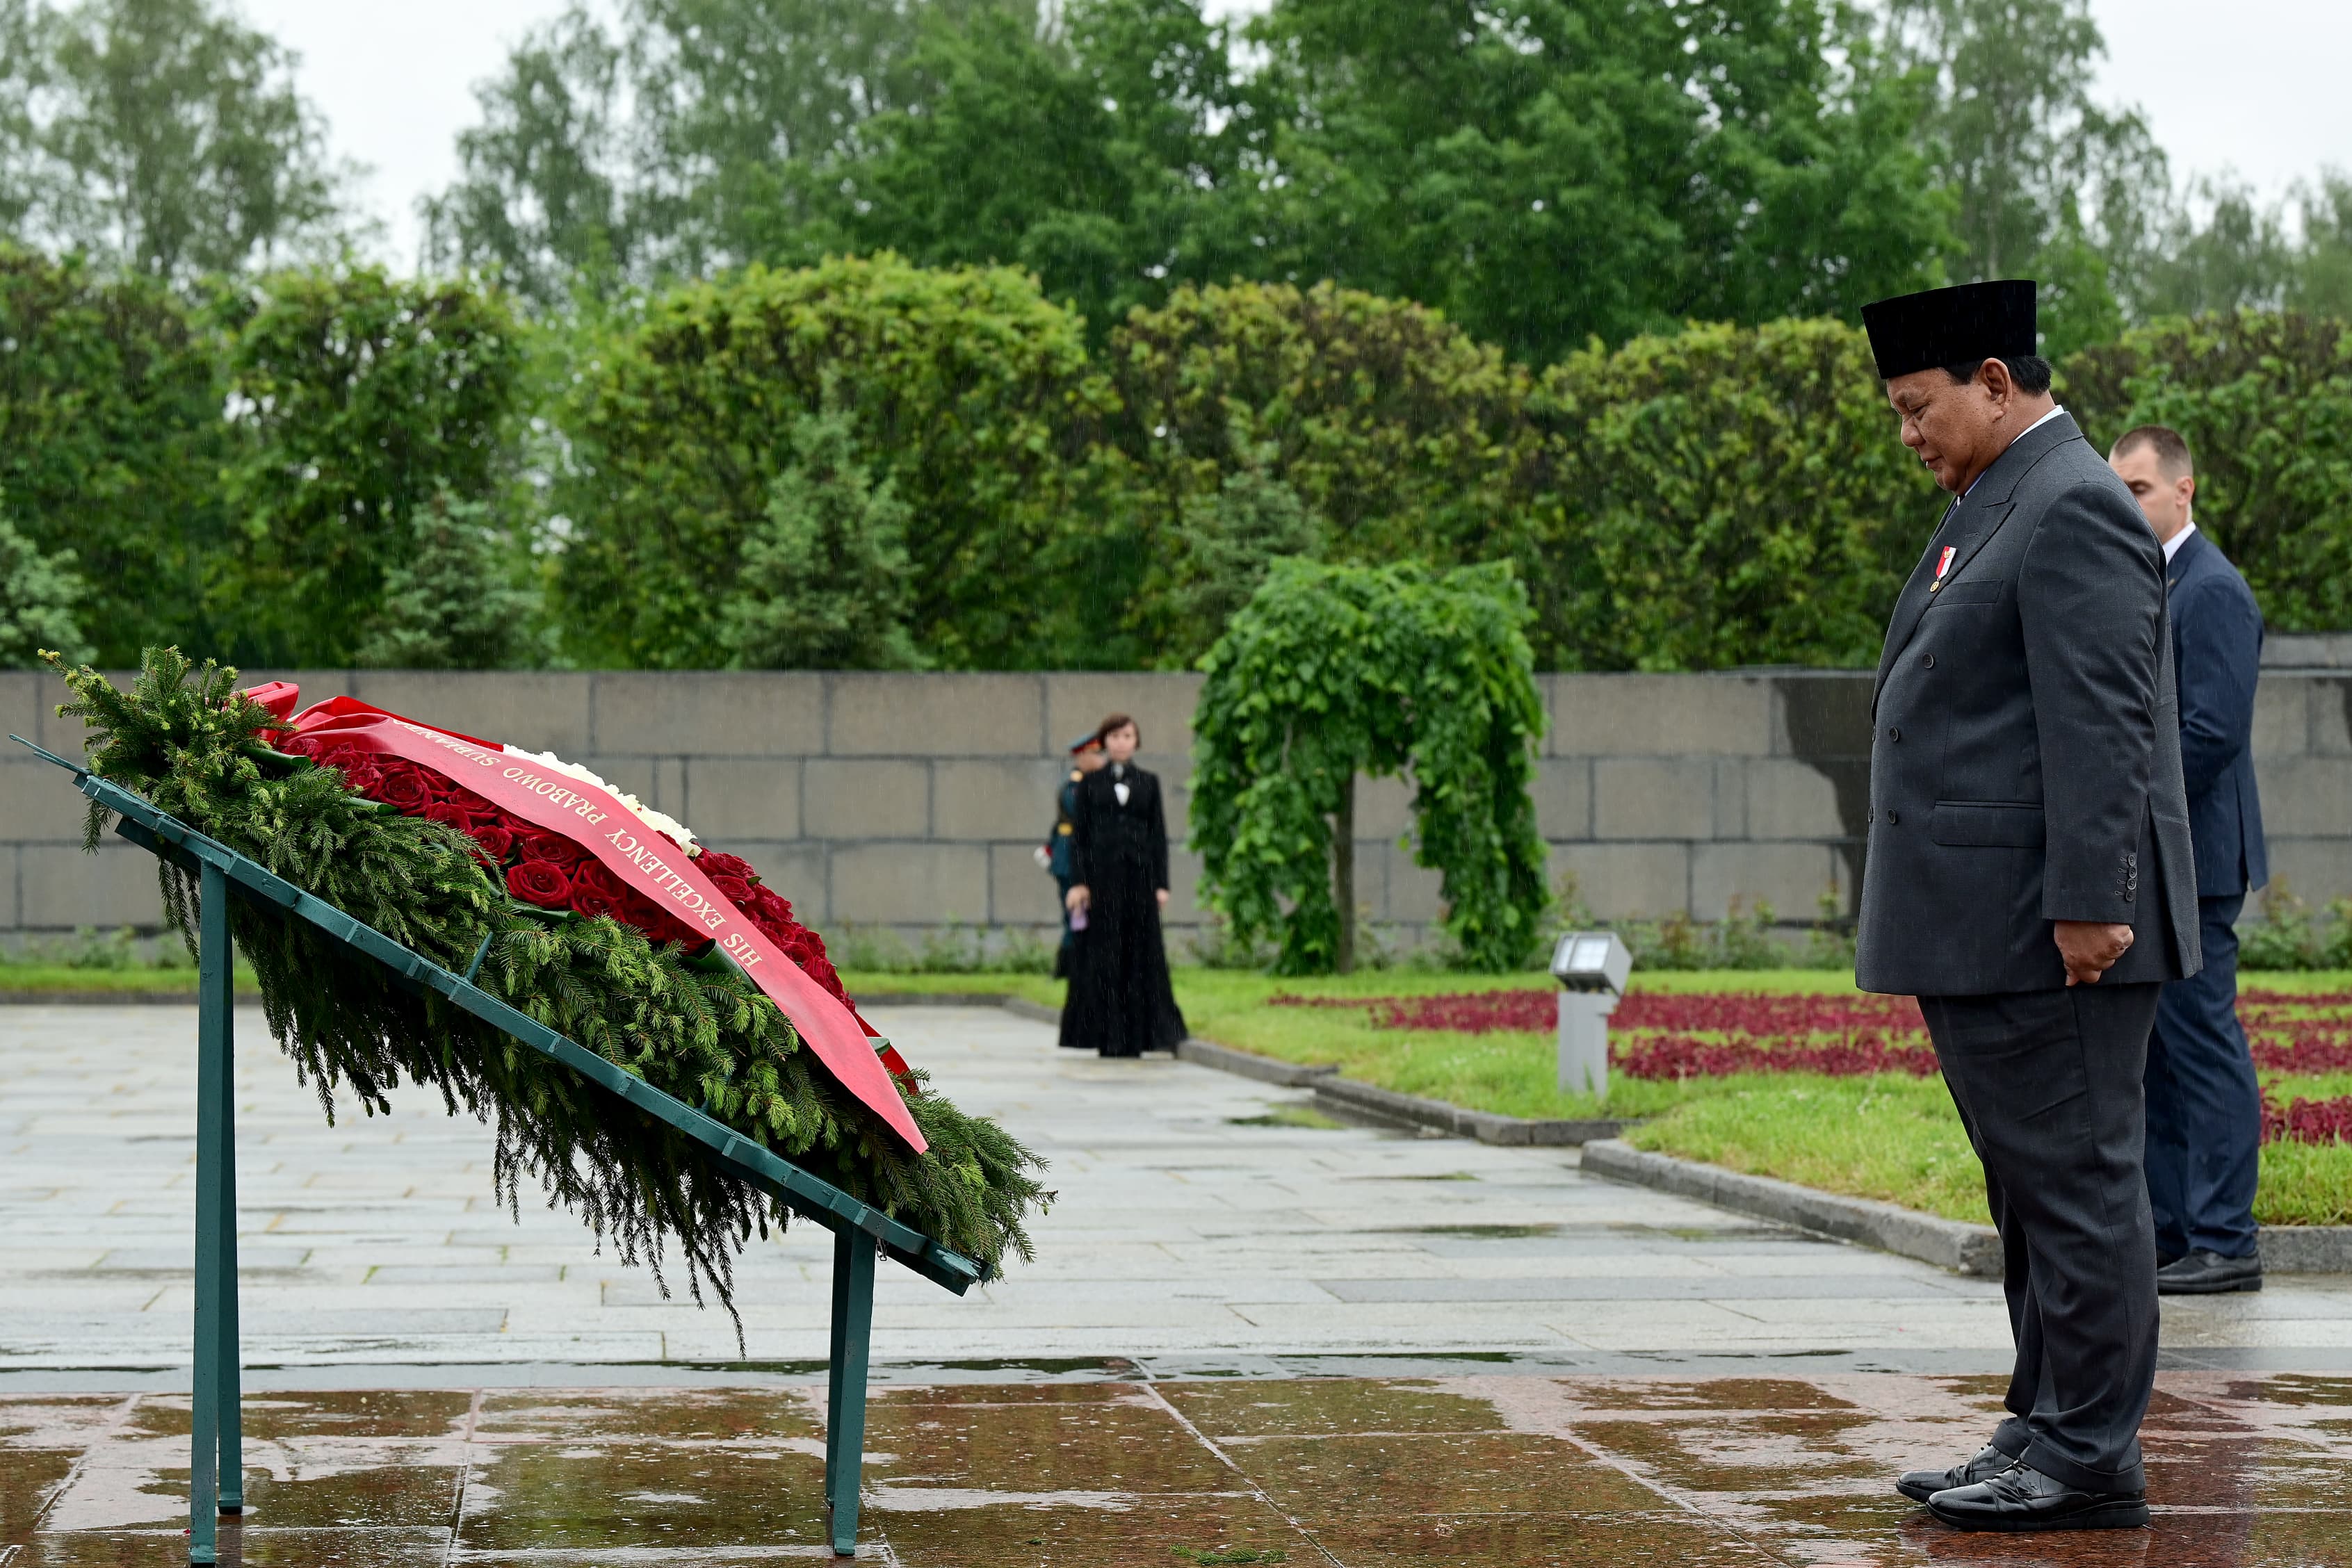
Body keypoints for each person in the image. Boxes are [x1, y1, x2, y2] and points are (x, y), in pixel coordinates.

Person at [1856, 280, 2198, 1533]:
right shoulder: (1999, 498)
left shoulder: (2069, 508)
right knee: (2030, 1186)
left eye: (1916, 406)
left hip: (2051, 930)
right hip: (1988, 922)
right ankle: (2043, 1420)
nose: (1906, 432)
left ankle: (2089, 1453)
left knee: (2079, 1180)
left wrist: (2089, 905)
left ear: (1992, 381)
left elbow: (2102, 724)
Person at [2110, 424, 2269, 1295]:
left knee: (2202, 1048)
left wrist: (2120, 804)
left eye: (2136, 488)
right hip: (2163, 857)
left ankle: (2224, 1237)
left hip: (2197, 862)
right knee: (2162, 1057)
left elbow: (2209, 735)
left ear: (2183, 492)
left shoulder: (2210, 591)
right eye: (2116, 490)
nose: (2124, 505)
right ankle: (2174, 1233)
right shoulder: (2157, 582)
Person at [1058, 714, 1187, 1057]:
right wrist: (1080, 882)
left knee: (1142, 954)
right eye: (1114, 736)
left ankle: (1143, 1035)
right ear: (1105, 741)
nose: (1120, 742)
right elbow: (1080, 839)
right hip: (1102, 885)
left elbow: (1158, 835)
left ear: (1136, 741)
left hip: (1140, 882)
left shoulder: (1148, 782)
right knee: (1106, 957)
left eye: (1127, 735)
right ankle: (1108, 1035)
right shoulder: (1090, 784)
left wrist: (1162, 883)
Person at [1039, 733, 1108, 986]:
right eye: (1096, 754)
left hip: (1082, 856)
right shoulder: (1075, 787)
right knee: (1076, 915)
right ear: (1082, 757)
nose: (1102, 759)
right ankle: (1067, 968)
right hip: (1071, 859)